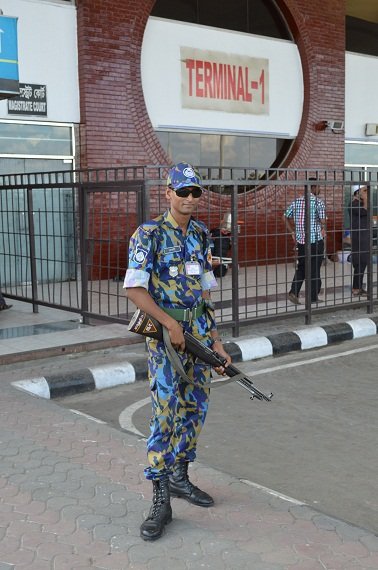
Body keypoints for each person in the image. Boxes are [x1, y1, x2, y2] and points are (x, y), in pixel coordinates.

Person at [124, 162, 231, 541]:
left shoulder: (201, 234)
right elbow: (135, 289)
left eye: (194, 193)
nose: (188, 198)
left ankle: (180, 477)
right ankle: (159, 497)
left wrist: (215, 340)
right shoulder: (149, 234)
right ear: (167, 193)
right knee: (165, 412)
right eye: (181, 191)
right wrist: (169, 325)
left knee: (195, 407)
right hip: (166, 338)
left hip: (198, 333)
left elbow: (205, 291)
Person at [283, 178, 326, 304]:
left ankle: (293, 292)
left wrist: (292, 231)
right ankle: (313, 297)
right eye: (318, 187)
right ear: (313, 188)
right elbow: (323, 221)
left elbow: (284, 216)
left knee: (302, 266)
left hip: (302, 241)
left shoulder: (296, 202)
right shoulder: (318, 202)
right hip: (315, 241)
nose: (320, 189)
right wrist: (323, 228)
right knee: (314, 269)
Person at [350, 185, 368, 297]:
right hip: (359, 238)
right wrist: (365, 198)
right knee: (359, 263)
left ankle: (359, 287)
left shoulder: (361, 204)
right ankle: (356, 288)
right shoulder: (353, 204)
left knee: (363, 262)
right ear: (357, 193)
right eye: (364, 191)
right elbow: (364, 212)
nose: (366, 193)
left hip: (364, 237)